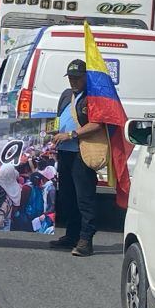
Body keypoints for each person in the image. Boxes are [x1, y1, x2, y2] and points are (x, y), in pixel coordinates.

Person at [49, 59, 102, 256]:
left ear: (85, 77)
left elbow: (97, 124)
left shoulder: (92, 97)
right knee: (67, 197)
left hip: (82, 153)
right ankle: (71, 236)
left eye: (77, 78)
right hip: (65, 153)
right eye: (71, 78)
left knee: (84, 199)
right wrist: (53, 131)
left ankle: (86, 239)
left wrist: (71, 134)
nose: (73, 81)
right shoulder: (66, 95)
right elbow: (58, 118)